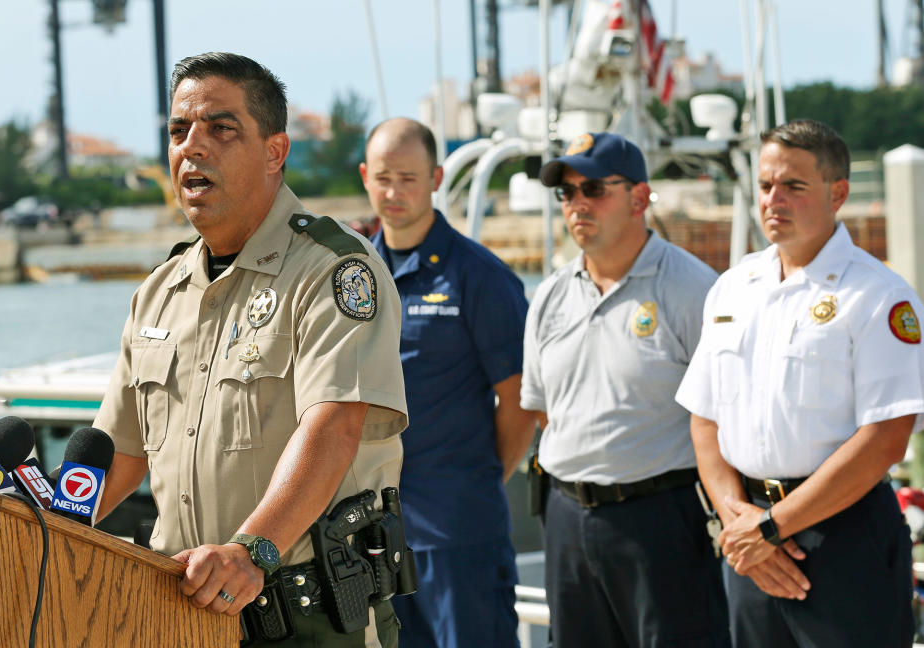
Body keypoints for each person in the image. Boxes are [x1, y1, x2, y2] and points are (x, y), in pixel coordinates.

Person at [92, 52, 409, 647]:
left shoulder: (333, 270)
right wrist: (38, 519)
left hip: (309, 618)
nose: (193, 147)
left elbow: (334, 425)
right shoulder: (159, 293)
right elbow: (119, 451)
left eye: (221, 128)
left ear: (274, 151)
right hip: (181, 614)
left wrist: (253, 550)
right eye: (178, 131)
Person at [675, 119, 924, 648]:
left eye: (793, 186)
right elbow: (704, 417)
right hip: (749, 533)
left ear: (837, 193)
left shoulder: (878, 297)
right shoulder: (732, 288)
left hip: (843, 536)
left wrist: (771, 529)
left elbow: (886, 438)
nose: (774, 199)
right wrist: (737, 520)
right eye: (766, 185)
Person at [521, 131, 730, 647]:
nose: (577, 204)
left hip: (660, 521)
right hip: (568, 521)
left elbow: (727, 416)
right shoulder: (549, 296)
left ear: (639, 198)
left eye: (593, 189)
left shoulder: (691, 289)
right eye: (566, 193)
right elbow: (547, 413)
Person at [358, 117, 535, 648]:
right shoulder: (353, 274)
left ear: (436, 178)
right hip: (371, 534)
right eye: (384, 177)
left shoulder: (480, 277)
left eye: (409, 179)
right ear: (366, 176)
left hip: (457, 531)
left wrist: (477, 479)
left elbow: (520, 401)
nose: (394, 192)